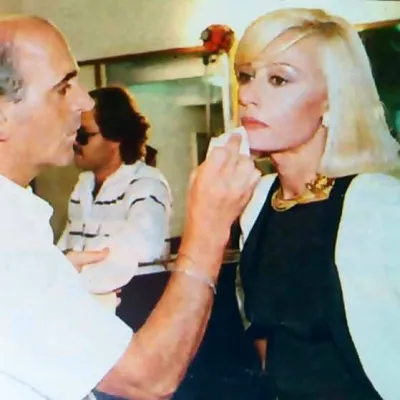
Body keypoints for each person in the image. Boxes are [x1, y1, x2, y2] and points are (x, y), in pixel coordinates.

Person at [0, 14, 260, 400]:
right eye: (63, 87)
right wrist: (208, 229)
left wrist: (56, 278)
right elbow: (147, 378)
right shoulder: (11, 244)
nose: (84, 101)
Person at [235, 8, 400, 400]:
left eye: (278, 79)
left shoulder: (374, 202)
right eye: (246, 76)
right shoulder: (258, 200)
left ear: (330, 100)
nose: (247, 95)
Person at [58, 86, 172, 307]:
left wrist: (70, 271)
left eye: (83, 135)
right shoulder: (84, 186)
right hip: (90, 306)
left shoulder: (146, 184)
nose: (75, 143)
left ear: (116, 137)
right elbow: (65, 248)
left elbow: (141, 252)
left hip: (135, 304)